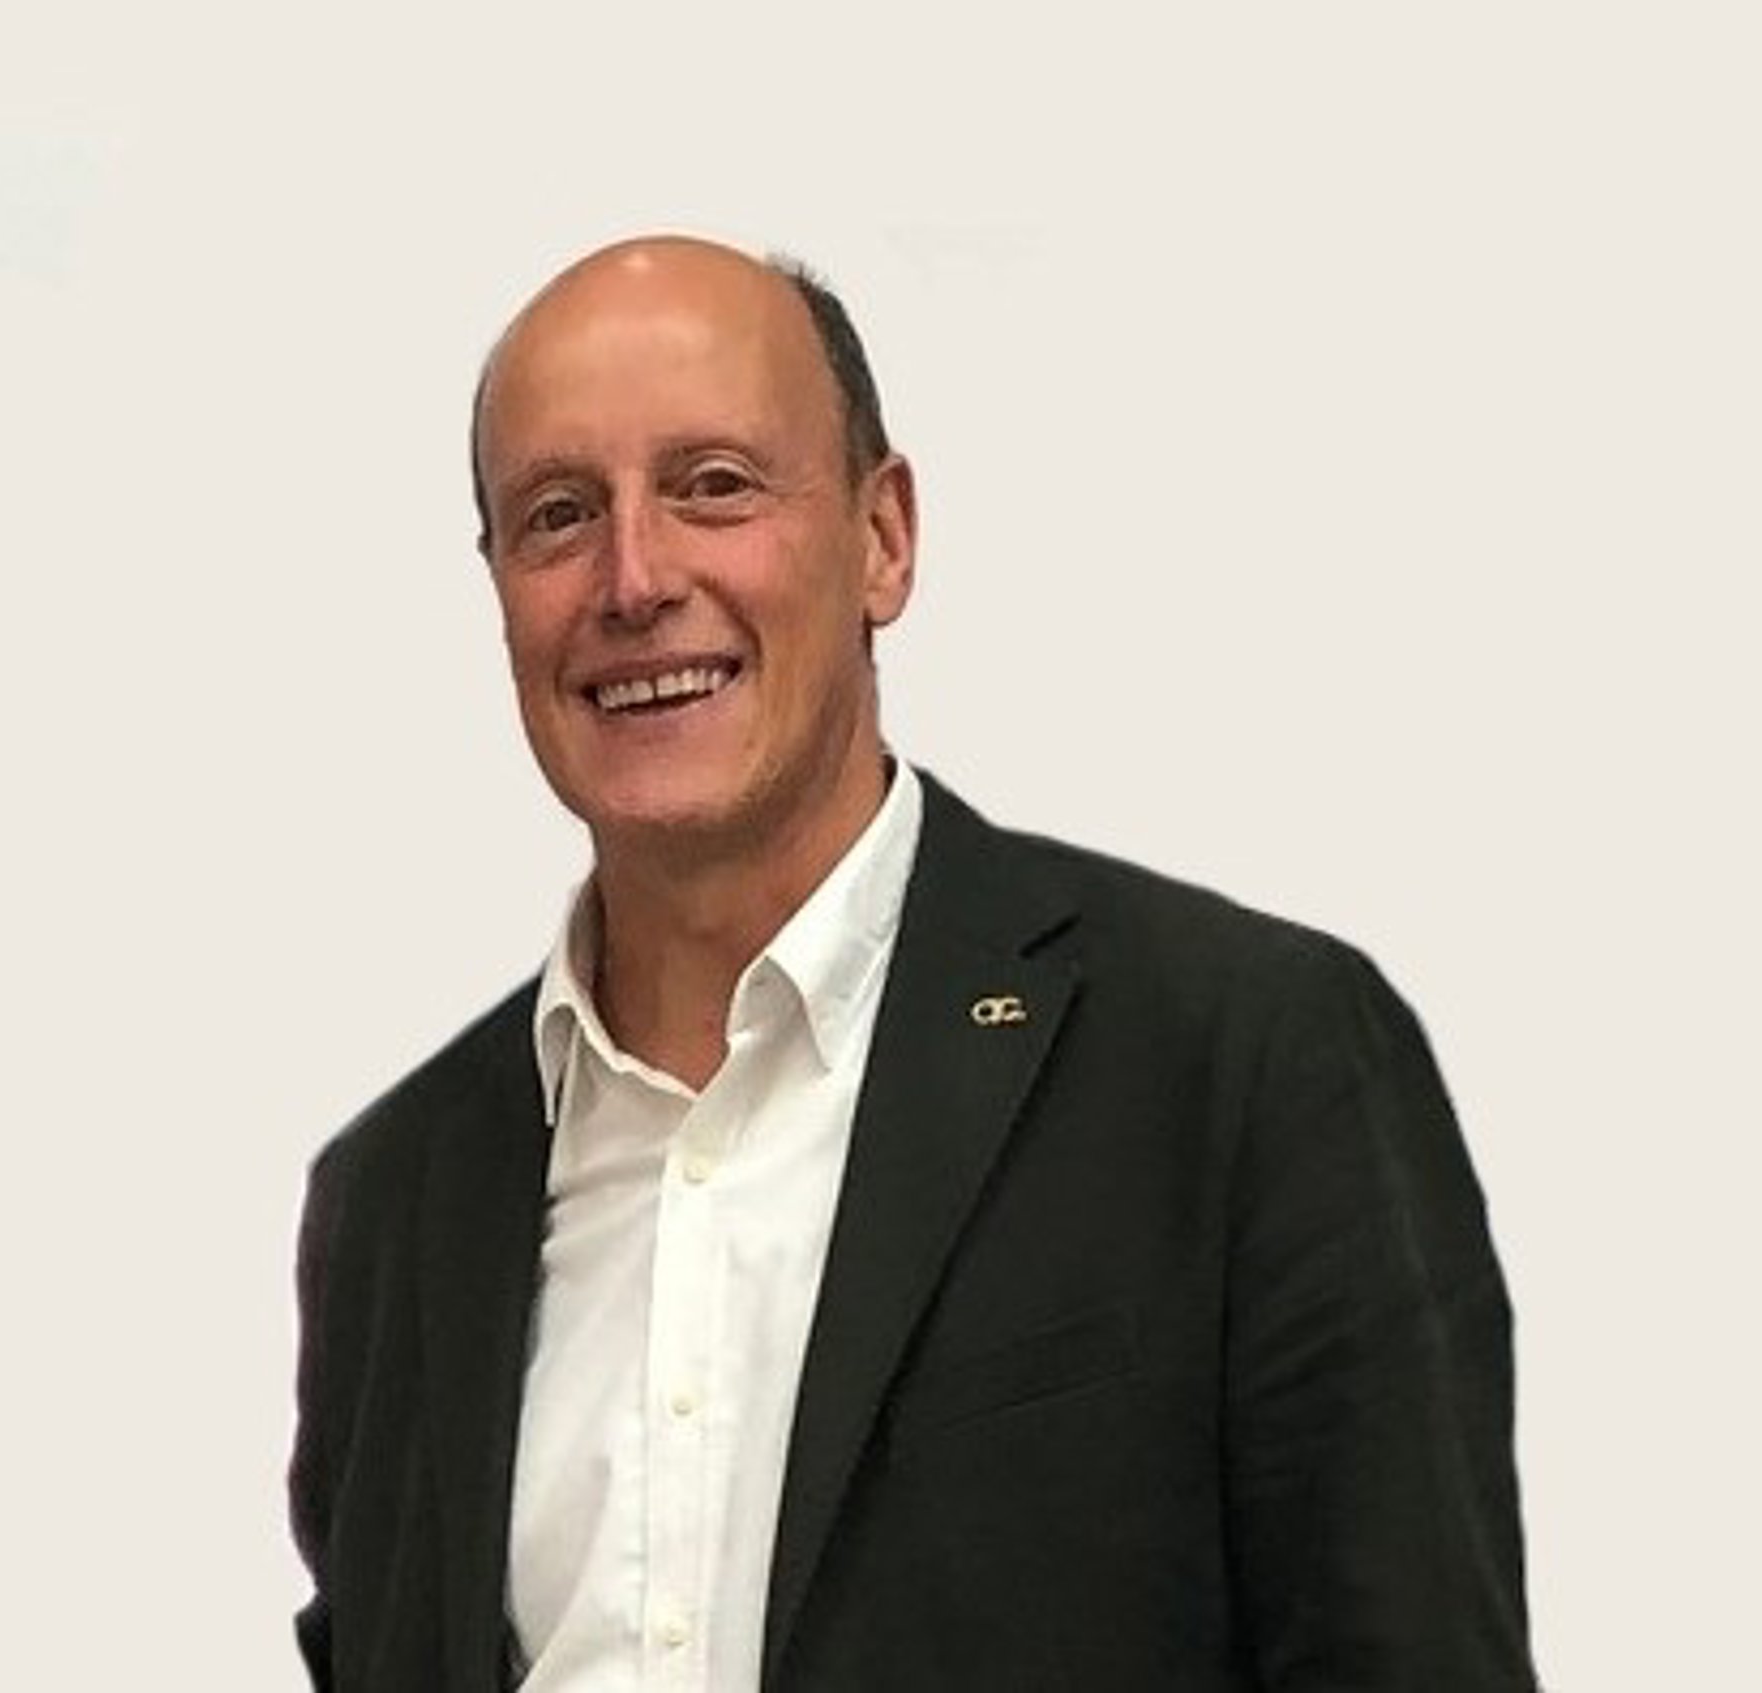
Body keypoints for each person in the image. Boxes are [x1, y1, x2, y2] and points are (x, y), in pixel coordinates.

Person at [289, 234, 1539, 1692]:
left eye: (713, 485)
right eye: (558, 515)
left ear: (882, 539)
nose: (634, 578)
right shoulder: (394, 1203)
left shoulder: (1244, 1065)